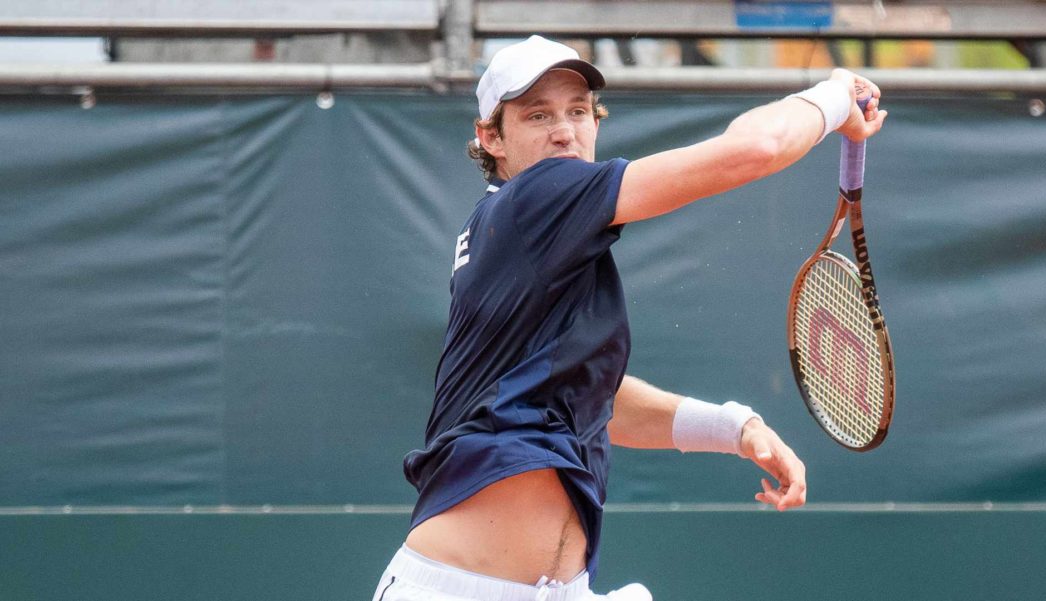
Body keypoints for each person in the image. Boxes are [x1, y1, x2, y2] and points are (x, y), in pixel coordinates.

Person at [372, 35, 886, 601]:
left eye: (578, 112)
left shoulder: (526, 244)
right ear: (491, 137)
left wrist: (735, 428)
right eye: (538, 114)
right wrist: (835, 96)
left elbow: (591, 402)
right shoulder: (537, 198)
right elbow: (757, 149)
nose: (565, 130)